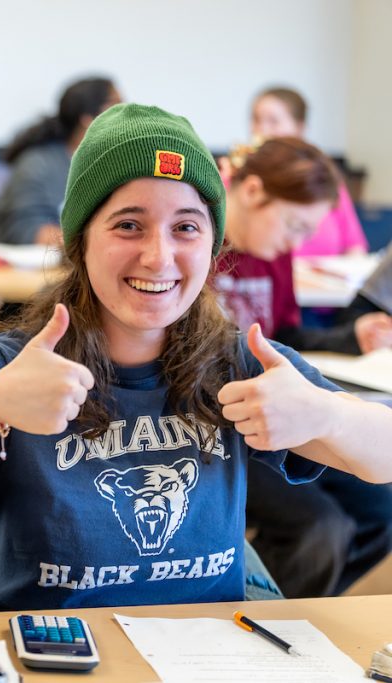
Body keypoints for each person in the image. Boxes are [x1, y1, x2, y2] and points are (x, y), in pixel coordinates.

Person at [0, 103, 392, 611]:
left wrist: (326, 413)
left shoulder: (237, 361)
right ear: (80, 242)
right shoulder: (22, 365)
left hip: (204, 656)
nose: (159, 256)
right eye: (128, 225)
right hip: (52, 658)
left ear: (212, 244)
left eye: (186, 228)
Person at [215, 137, 392, 597]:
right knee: (321, 530)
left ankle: (304, 602)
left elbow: (284, 339)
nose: (293, 243)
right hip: (222, 424)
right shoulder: (200, 243)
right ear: (251, 192)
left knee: (381, 510)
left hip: (280, 410)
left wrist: (349, 338)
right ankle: (256, 613)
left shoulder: (271, 253)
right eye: (293, 225)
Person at [0, 77, 121, 246]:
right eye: (116, 106)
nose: (126, 115)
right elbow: (30, 232)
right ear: (88, 119)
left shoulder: (112, 166)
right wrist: (96, 244)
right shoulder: (37, 164)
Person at [250, 86, 368, 258]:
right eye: (256, 120)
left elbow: (355, 247)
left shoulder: (324, 180)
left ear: (299, 128)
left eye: (273, 121)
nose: (261, 130)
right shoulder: (242, 179)